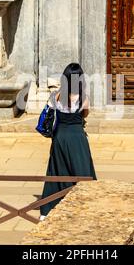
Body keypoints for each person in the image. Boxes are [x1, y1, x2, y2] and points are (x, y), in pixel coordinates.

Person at [39, 63, 97, 219]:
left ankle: (49, 207)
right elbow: (84, 115)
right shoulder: (84, 98)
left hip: (60, 137)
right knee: (81, 170)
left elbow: (50, 113)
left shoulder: (56, 95)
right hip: (77, 138)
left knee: (57, 170)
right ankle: (84, 205)